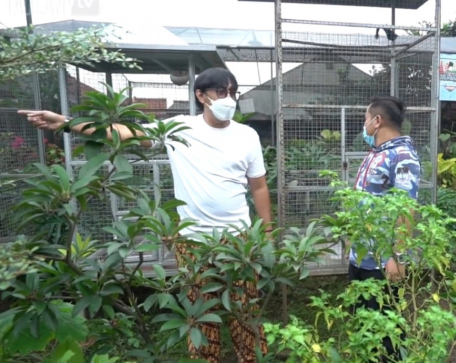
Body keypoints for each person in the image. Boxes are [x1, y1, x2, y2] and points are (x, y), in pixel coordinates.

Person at [19, 68, 271, 363]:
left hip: (239, 240)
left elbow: (260, 186)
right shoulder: (179, 129)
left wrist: (265, 234)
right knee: (200, 312)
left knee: (245, 311)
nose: (228, 99)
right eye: (220, 92)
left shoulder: (247, 135)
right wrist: (65, 122)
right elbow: (124, 133)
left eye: (233, 92)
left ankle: (253, 358)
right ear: (201, 96)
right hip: (193, 241)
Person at [348, 96, 421, 362]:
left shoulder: (402, 156)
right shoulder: (377, 153)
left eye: (366, 118)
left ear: (377, 121)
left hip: (382, 261)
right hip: (361, 256)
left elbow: (405, 209)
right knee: (365, 326)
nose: (364, 124)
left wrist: (397, 257)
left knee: (387, 331)